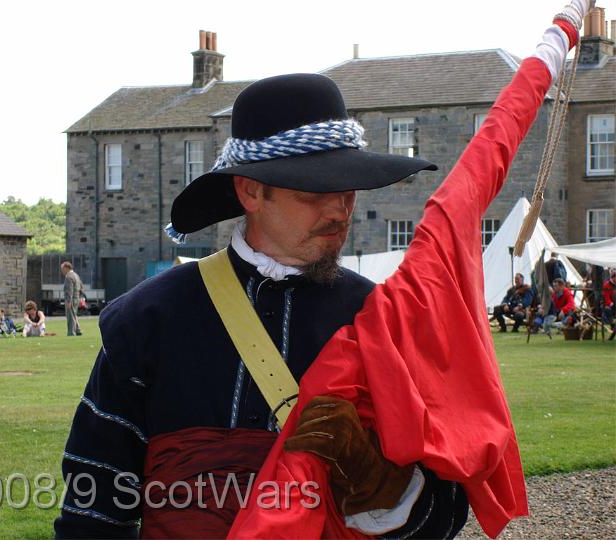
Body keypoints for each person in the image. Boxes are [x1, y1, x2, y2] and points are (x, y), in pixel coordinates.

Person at [54, 2, 592, 538]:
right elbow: (94, 502)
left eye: (347, 187)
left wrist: (375, 481)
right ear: (250, 190)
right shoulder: (149, 318)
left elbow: (443, 520)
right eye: (315, 190)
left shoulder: (380, 318)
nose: (339, 210)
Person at [61, 261, 83, 336]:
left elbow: (69, 290)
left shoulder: (69, 276)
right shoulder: (76, 275)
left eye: (63, 269)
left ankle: (71, 332)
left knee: (70, 317)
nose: (62, 271)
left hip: (71, 299)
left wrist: (68, 301)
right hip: (76, 297)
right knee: (74, 315)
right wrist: (79, 297)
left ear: (67, 268)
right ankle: (78, 330)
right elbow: (81, 287)